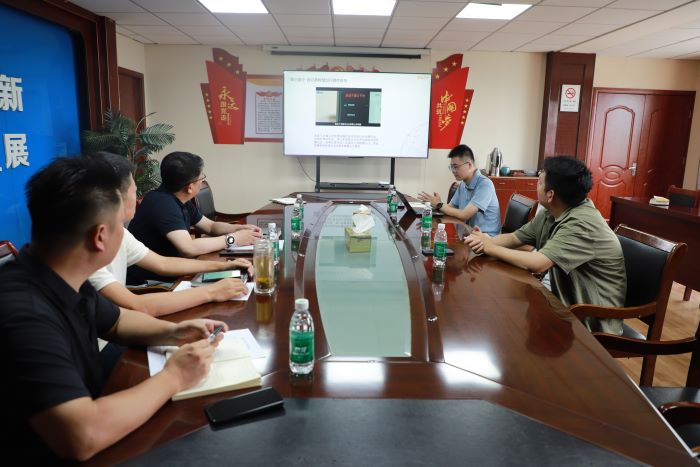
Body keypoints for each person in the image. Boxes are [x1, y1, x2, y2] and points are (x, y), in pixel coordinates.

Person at [0, 156, 228, 462]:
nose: (126, 232)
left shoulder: (60, 274)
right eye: (121, 224)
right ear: (100, 237)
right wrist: (175, 376)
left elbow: (117, 322)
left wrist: (175, 332)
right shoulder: (24, 314)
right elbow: (83, 435)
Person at [464, 155, 626, 335]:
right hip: (564, 305)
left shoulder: (582, 224)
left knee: (504, 325)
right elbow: (515, 238)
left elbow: (538, 264)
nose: (537, 185)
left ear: (551, 195)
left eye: (540, 182)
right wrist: (484, 240)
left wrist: (489, 247)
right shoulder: (551, 212)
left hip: (592, 323)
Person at [88, 152, 253, 316]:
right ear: (116, 198)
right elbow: (135, 305)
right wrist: (212, 291)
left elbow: (164, 264)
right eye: (134, 191)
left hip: (143, 297)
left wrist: (225, 265)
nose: (137, 197)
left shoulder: (122, 233)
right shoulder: (161, 203)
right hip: (148, 286)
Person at [127, 151, 262, 285]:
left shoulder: (178, 197)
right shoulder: (162, 203)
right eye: (201, 177)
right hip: (150, 283)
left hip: (176, 272)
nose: (203, 180)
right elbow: (188, 248)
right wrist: (232, 239)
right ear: (190, 187)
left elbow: (210, 226)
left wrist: (239, 229)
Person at [418, 144, 501, 236]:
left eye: (456, 167)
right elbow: (450, 207)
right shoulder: (463, 184)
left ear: (469, 165)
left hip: (487, 237)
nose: (453, 171)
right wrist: (435, 204)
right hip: (469, 233)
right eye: (451, 167)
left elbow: (465, 215)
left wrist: (439, 204)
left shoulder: (485, 185)